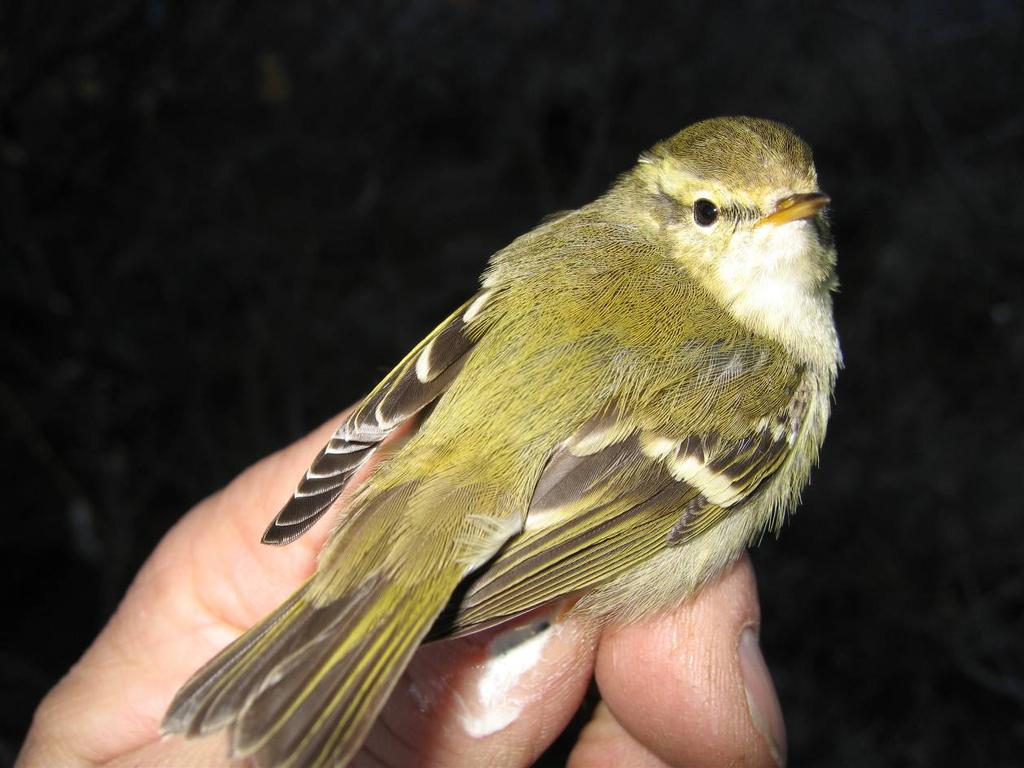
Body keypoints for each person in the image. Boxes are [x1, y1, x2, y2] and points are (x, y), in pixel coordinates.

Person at [18, 411, 786, 767]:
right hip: (529, 495)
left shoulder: (571, 250)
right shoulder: (765, 382)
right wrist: (492, 597)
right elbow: (624, 509)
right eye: (713, 211)